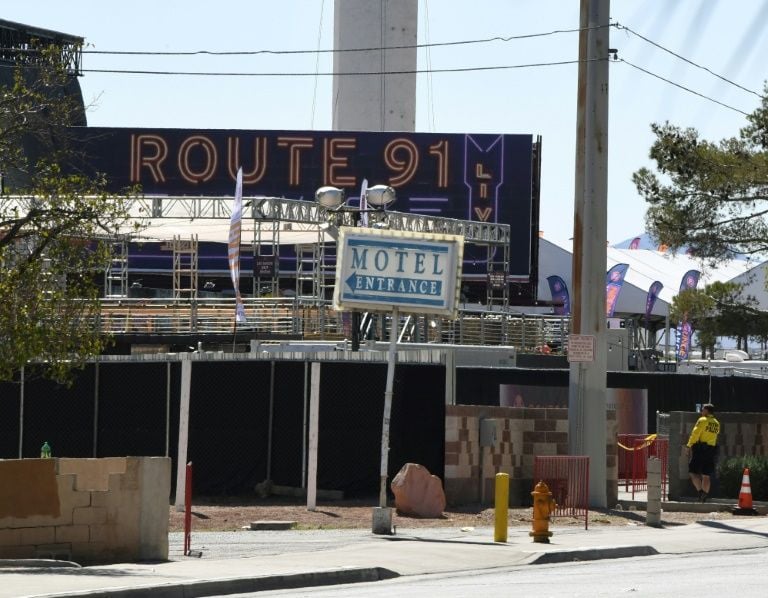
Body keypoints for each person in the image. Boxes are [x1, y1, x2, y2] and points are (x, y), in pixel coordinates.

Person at [685, 403, 720, 502]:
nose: (701, 412)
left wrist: (688, 446)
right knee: (706, 475)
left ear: (707, 411)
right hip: (711, 451)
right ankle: (704, 496)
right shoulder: (716, 423)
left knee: (692, 472)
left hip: (700, 450)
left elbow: (695, 434)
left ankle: (700, 492)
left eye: (703, 410)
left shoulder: (702, 420)